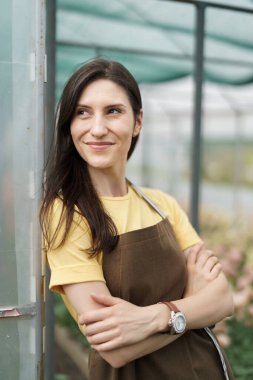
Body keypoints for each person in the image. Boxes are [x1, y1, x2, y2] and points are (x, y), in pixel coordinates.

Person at [41, 58, 234, 380]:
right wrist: (192, 306)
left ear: (137, 122)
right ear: (69, 124)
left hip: (208, 368)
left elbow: (224, 299)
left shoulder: (161, 204)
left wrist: (156, 318)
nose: (97, 128)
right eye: (83, 112)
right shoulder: (66, 214)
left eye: (113, 111)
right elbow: (114, 348)